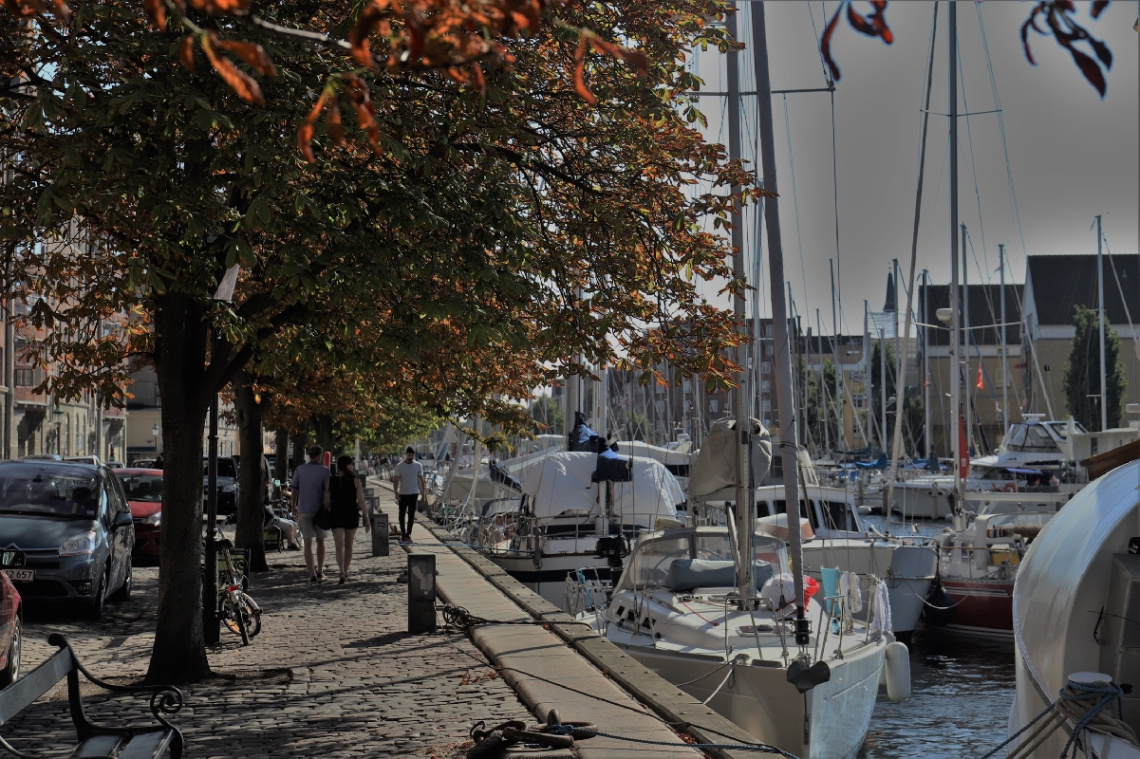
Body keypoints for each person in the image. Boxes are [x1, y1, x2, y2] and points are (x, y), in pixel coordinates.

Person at [291, 444, 331, 583]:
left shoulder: (300, 470)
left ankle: (311, 573)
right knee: (321, 540)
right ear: (320, 456)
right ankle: (320, 571)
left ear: (309, 455)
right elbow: (327, 491)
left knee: (307, 542)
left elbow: (294, 490)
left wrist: (293, 506)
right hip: (320, 510)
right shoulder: (325, 471)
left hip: (304, 509)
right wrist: (328, 506)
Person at [329, 455, 370, 584]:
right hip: (351, 514)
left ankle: (341, 571)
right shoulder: (355, 480)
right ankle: (346, 572)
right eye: (352, 463)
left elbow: (326, 501)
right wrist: (366, 517)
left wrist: (329, 508)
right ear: (347, 465)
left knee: (338, 546)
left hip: (336, 514)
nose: (353, 465)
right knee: (349, 545)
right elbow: (361, 500)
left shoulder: (331, 480)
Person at [392, 446, 426, 543]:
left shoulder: (418, 465)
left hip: (414, 493)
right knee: (401, 515)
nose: (410, 457)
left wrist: (423, 495)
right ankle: (403, 533)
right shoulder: (399, 466)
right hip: (403, 494)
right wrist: (396, 492)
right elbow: (395, 480)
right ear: (405, 454)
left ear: (414, 455)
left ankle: (408, 534)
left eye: (412, 455)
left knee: (411, 515)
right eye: (409, 455)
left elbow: (421, 480)